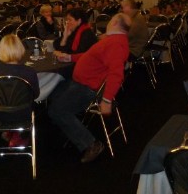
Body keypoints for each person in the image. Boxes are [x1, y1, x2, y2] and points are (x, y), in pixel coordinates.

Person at [48, 13, 131, 163]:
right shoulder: (113, 40)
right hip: (82, 82)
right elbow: (91, 55)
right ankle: (69, 128)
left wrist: (106, 100)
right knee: (54, 93)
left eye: (110, 20)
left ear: (114, 23)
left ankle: (91, 144)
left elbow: (116, 74)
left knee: (57, 110)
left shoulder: (116, 44)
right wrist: (69, 57)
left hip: (88, 87)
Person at [0, 34, 40, 148]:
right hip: (22, 116)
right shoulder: (29, 72)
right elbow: (35, 94)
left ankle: (9, 134)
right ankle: (20, 135)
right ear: (21, 49)